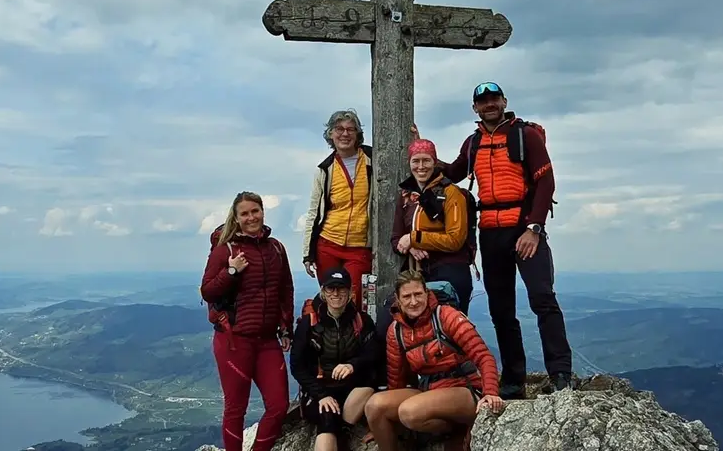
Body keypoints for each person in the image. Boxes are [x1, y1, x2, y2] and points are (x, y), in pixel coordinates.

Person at [410, 81, 575, 398]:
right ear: (475, 108)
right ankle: (513, 379)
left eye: (494, 99)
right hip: (490, 230)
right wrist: (423, 150)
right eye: (483, 101)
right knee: (501, 309)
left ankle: (560, 374)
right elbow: (453, 173)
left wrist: (534, 228)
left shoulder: (525, 135)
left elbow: (546, 182)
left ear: (504, 102)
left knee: (542, 299)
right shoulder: (473, 143)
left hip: (524, 227)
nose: (489, 105)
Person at [198, 191, 295, 451]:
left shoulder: (276, 248)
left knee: (279, 405)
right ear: (236, 217)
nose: (251, 217)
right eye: (245, 213)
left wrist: (286, 328)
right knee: (236, 408)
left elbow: (285, 289)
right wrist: (231, 271)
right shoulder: (225, 250)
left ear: (263, 212)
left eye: (255, 211)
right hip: (233, 340)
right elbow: (207, 291)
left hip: (267, 340)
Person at [366, 269, 503, 451]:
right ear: (397, 300)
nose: (413, 301)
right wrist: (382, 426)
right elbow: (396, 379)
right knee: (374, 407)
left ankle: (456, 430)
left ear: (427, 293)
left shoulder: (447, 316)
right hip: (429, 391)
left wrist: (490, 392)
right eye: (406, 296)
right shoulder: (396, 331)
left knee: (409, 412)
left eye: (418, 294)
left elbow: (483, 356)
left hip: (464, 388)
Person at [290, 266, 384, 451]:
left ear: (350, 292)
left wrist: (352, 365)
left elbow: (374, 353)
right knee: (328, 417)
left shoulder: (362, 321)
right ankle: (342, 434)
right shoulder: (309, 324)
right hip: (319, 389)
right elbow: (297, 366)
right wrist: (321, 395)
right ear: (323, 292)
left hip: (352, 388)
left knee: (364, 392)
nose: (336, 293)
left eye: (341, 288)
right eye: (330, 288)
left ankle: (341, 433)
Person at [299, 109, 377, 307]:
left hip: (360, 246)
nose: (345, 134)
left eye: (351, 129)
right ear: (331, 134)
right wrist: (308, 253)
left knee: (353, 300)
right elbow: (314, 212)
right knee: (332, 300)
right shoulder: (325, 169)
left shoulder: (373, 159)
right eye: (339, 129)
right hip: (328, 244)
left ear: (358, 134)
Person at [392, 138, 476, 314]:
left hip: (451, 270)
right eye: (415, 161)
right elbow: (396, 238)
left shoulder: (451, 193)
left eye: (426, 160)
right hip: (419, 273)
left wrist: (414, 239)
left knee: (451, 326)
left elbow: (455, 240)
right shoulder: (407, 196)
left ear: (435, 162)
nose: (421, 166)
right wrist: (411, 246)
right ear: (409, 163)